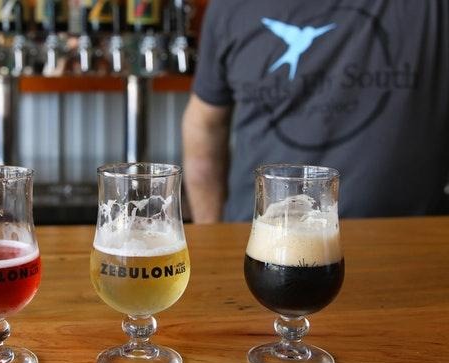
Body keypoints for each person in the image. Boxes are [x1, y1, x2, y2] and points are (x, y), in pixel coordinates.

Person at [182, 0, 449, 223]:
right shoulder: (232, 7)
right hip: (265, 242)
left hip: (411, 248)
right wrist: (212, 236)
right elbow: (204, 125)